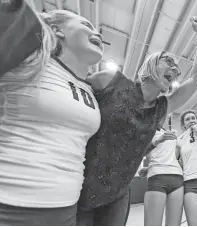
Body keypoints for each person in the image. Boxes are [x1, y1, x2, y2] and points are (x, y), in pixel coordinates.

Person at [76, 17, 197, 225]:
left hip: (118, 196)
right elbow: (72, 90)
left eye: (177, 69)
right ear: (152, 63)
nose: (175, 70)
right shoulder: (110, 81)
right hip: (80, 187)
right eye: (169, 62)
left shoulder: (161, 109)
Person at [0, 1, 102, 225]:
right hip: (8, 206)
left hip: (64, 209)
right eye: (86, 24)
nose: (96, 33)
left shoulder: (91, 90)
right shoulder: (29, 58)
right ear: (57, 30)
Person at [140, 127, 184, 226]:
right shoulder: (146, 131)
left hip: (177, 177)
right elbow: (139, 153)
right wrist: (158, 140)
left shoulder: (172, 133)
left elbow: (174, 156)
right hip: (157, 177)